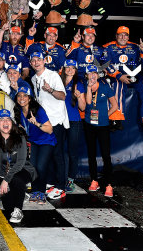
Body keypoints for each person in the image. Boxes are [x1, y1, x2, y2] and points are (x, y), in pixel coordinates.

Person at [0, 107, 36, 222]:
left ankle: (18, 210)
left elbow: (20, 163)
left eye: (8, 119)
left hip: (22, 171)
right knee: (7, 206)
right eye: (2, 119)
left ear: (12, 122)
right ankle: (20, 192)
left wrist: (5, 181)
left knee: (15, 180)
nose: (5, 122)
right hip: (1, 174)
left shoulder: (19, 137)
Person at [29, 52, 69, 200]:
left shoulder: (53, 76)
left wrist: (50, 90)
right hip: (45, 122)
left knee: (57, 154)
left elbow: (63, 96)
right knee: (49, 153)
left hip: (56, 120)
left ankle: (61, 186)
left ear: (44, 61)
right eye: (33, 60)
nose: (36, 62)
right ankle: (51, 182)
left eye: (38, 59)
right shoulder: (34, 78)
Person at [75, 65, 118, 198]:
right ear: (86, 75)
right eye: (90, 73)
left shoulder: (105, 87)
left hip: (103, 125)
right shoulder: (84, 86)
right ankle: (94, 180)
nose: (92, 76)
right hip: (89, 124)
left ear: (98, 75)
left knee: (106, 155)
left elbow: (115, 105)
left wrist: (105, 115)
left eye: (95, 73)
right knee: (91, 153)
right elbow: (87, 104)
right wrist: (88, 88)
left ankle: (109, 184)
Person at [104, 26, 143, 131]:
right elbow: (105, 64)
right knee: (117, 86)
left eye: (125, 35)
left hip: (134, 75)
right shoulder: (108, 47)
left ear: (128, 37)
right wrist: (119, 76)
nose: (123, 37)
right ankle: (115, 120)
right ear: (116, 36)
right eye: (120, 35)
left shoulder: (135, 47)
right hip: (117, 76)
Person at [60, 60, 84, 192]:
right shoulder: (57, 81)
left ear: (75, 70)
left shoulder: (78, 84)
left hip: (74, 121)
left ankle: (70, 180)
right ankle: (59, 178)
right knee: (58, 151)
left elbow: (83, 107)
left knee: (72, 152)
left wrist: (79, 97)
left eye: (72, 67)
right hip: (59, 121)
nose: (69, 69)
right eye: (67, 67)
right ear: (63, 69)